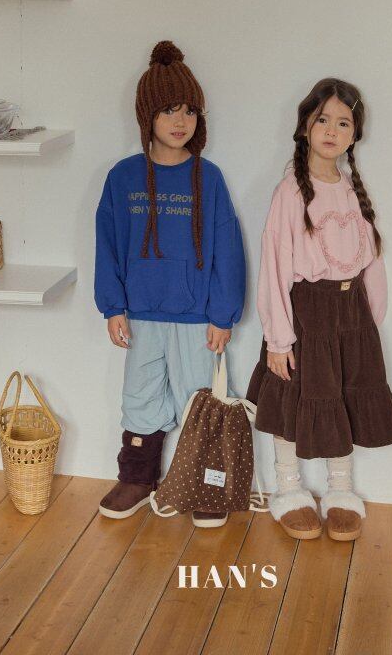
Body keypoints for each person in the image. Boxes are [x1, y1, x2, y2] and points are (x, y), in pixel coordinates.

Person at [95, 40, 246, 528]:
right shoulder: (123, 178)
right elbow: (108, 245)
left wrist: (223, 315)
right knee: (140, 397)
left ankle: (207, 486)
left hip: (196, 318)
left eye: (189, 111)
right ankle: (138, 479)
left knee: (200, 401)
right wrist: (112, 306)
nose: (180, 122)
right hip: (140, 315)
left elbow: (228, 250)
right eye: (168, 110)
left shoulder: (209, 178)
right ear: (148, 117)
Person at [246, 77, 392, 542]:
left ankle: (341, 490)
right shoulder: (290, 192)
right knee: (293, 399)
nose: (332, 130)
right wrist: (278, 340)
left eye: (344, 123)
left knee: (343, 398)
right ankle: (288, 489)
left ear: (355, 134)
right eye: (323, 120)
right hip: (306, 316)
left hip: (351, 317)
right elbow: (274, 266)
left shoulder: (352, 190)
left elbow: (371, 261)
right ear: (305, 127)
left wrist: (369, 323)